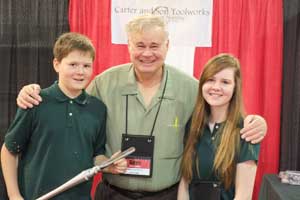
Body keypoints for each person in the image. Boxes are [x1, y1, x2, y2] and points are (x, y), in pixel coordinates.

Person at [15, 15, 267, 200]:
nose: (147, 53)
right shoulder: (104, 82)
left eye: (154, 46)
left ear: (167, 46)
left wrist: (257, 122)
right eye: (140, 46)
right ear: (129, 47)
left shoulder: (190, 87)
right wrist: (36, 92)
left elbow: (220, 113)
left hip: (166, 196)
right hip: (113, 194)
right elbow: (71, 101)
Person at [1, 32, 126, 200]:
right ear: (57, 64)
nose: (80, 72)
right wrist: (14, 195)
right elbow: (10, 150)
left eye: (86, 66)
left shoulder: (98, 109)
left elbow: (96, 155)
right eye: (73, 64)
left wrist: (108, 165)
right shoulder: (35, 101)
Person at [178, 53, 260, 200]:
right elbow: (184, 183)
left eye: (225, 82)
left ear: (235, 87)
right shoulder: (191, 124)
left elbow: (243, 196)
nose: (216, 87)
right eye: (211, 80)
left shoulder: (246, 131)